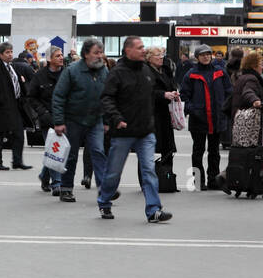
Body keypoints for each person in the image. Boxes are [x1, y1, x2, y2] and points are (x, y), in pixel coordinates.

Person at [98, 36, 171, 223]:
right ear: (128, 50)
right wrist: (116, 118)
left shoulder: (146, 71)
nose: (143, 50)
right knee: (114, 171)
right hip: (123, 131)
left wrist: (162, 99)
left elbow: (152, 94)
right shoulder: (117, 73)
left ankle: (154, 210)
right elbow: (107, 98)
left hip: (146, 131)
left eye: (143, 47)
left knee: (149, 170)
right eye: (139, 48)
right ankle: (104, 200)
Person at [51, 39, 109, 203]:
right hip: (73, 119)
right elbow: (59, 96)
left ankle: (104, 189)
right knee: (71, 155)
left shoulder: (103, 71)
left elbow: (107, 97)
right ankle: (66, 188)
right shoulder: (72, 71)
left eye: (101, 52)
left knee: (98, 152)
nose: (100, 56)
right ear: (85, 54)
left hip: (95, 119)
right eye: (96, 53)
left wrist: (107, 120)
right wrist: (58, 121)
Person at [180, 43, 230, 190]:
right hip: (198, 120)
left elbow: (229, 91)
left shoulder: (220, 72)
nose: (206, 57)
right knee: (198, 151)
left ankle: (213, 181)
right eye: (203, 55)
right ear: (197, 57)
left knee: (214, 152)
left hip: (217, 119)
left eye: (208, 54)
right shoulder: (191, 74)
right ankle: (198, 181)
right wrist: (192, 109)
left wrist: (224, 109)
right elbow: (184, 96)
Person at [0, 42, 31, 171]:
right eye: (7, 52)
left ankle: (17, 160)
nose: (10, 54)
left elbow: (16, 83)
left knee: (19, 134)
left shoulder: (13, 67)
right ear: (1, 54)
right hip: (1, 108)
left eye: (11, 52)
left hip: (15, 105)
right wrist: (1, 100)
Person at [28, 47, 65, 193]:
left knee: (57, 151)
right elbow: (31, 97)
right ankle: (57, 183)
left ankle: (44, 175)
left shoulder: (67, 74)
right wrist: (42, 112)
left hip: (64, 117)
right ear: (50, 59)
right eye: (58, 56)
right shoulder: (40, 76)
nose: (61, 58)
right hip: (47, 119)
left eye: (62, 55)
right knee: (55, 149)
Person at [146, 46, 181, 178]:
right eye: (157, 55)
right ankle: (147, 179)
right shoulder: (145, 71)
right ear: (149, 58)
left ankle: (167, 177)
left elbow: (171, 84)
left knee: (167, 147)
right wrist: (163, 94)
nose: (161, 57)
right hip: (151, 113)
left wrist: (174, 92)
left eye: (162, 55)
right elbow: (145, 92)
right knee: (148, 148)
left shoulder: (165, 70)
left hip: (165, 113)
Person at [229, 50, 263, 149]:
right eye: (260, 64)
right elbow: (248, 91)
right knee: (252, 151)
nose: (262, 67)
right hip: (250, 125)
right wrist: (255, 100)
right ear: (254, 66)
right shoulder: (252, 79)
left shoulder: (243, 77)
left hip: (240, 121)